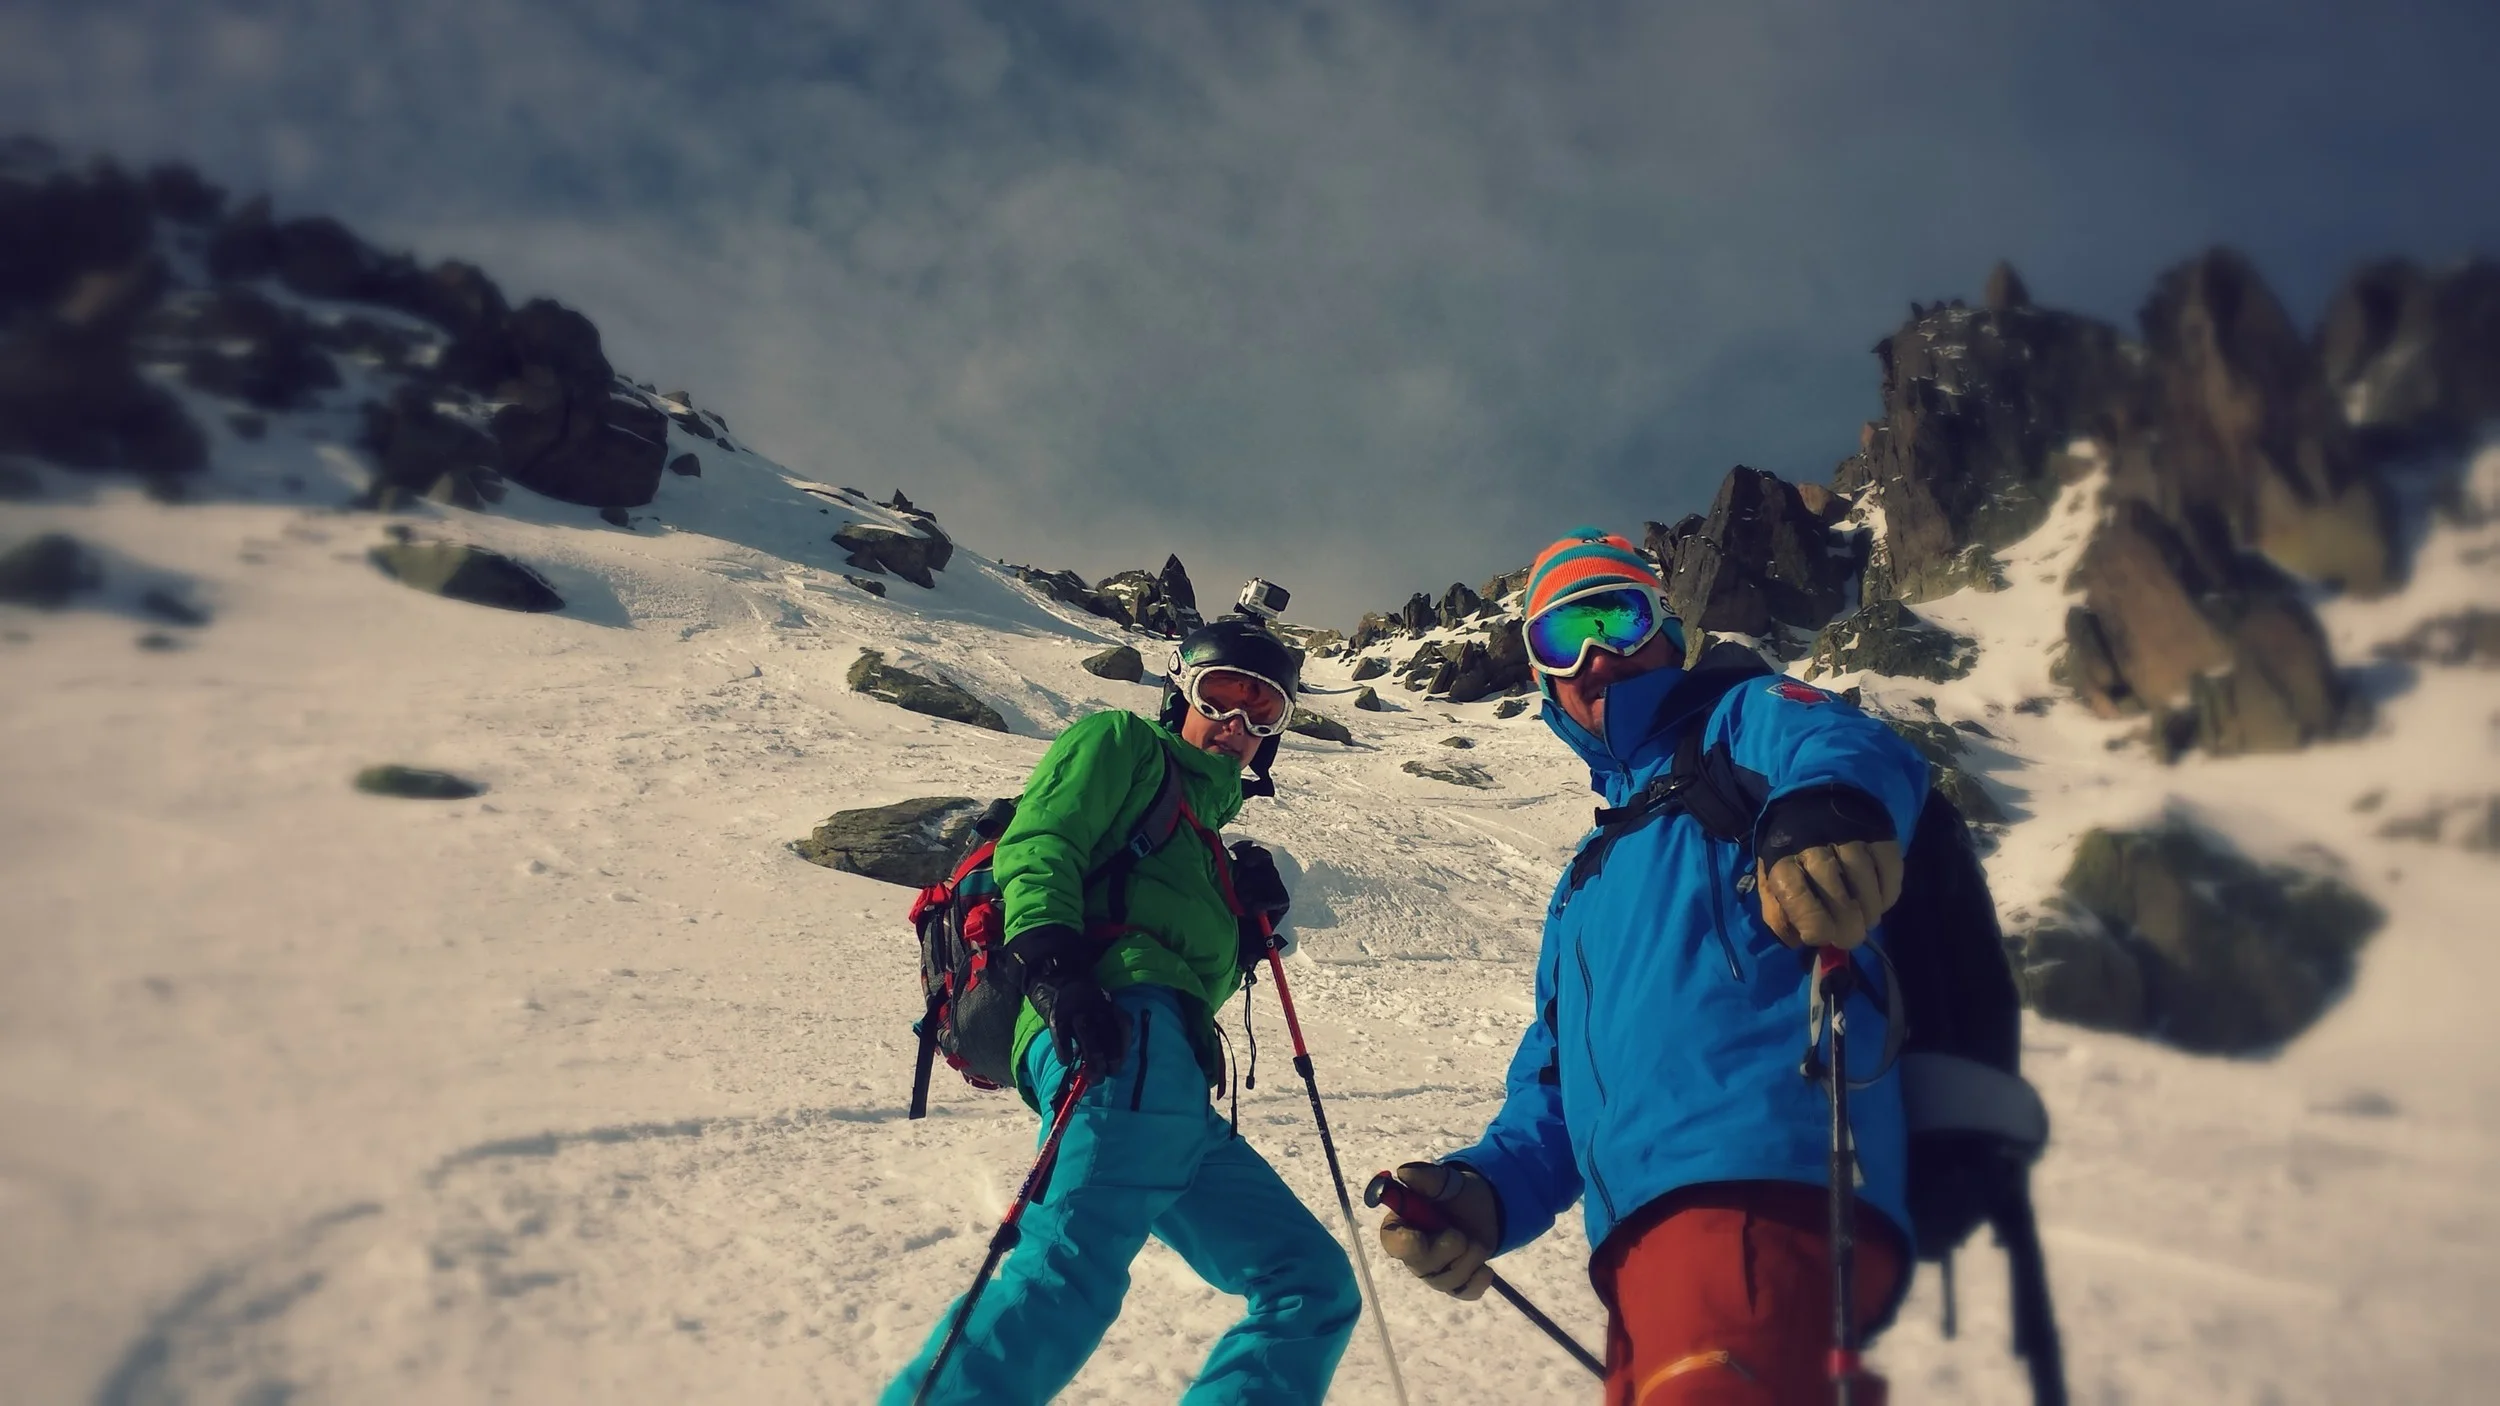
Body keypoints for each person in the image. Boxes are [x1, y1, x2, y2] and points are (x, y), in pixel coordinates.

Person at [1376, 529, 1931, 1406]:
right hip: (1639, 1253)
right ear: (1543, 678)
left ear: (1670, 632)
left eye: (1619, 619)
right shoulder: (1583, 883)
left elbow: (1844, 745)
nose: (1597, 656)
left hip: (1761, 1190)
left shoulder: (1739, 722)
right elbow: (1556, 1083)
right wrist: (1489, 1188)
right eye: (1565, 637)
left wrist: (1822, 812)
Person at [883, 616, 1359, 1406]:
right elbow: (1040, 844)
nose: (1237, 725)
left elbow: (1182, 971)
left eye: (1263, 711)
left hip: (1169, 1075)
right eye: (1221, 696)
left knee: (1307, 1283)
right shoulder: (1124, 745)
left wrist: (1245, 930)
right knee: (1068, 1264)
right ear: (1180, 694)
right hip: (1118, 1032)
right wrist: (1056, 969)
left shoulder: (1204, 836)